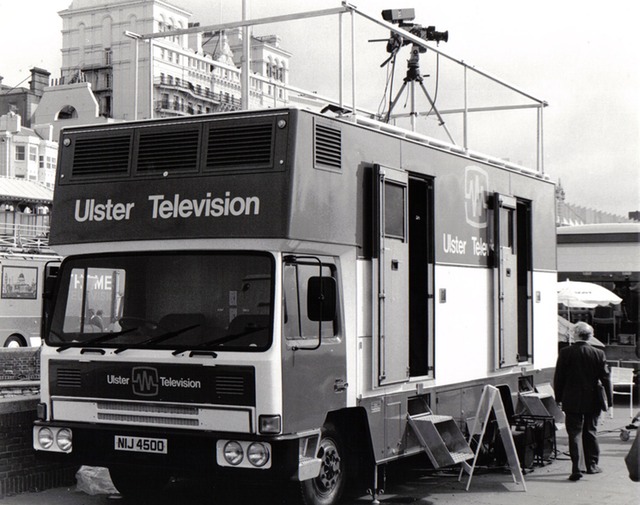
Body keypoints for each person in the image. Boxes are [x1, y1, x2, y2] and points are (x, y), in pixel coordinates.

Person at [553, 321, 612, 481]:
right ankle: (592, 465)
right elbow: (606, 378)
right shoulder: (598, 353)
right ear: (591, 336)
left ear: (574, 334)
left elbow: (559, 378)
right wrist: (609, 401)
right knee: (590, 431)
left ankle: (576, 468)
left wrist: (558, 398)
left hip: (571, 399)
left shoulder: (565, 352)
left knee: (574, 433)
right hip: (592, 398)